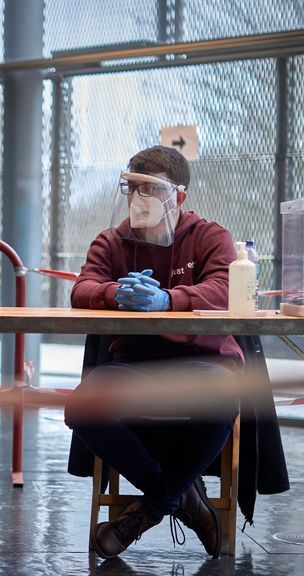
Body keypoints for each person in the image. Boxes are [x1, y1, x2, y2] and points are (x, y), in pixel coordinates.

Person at [64, 146, 241, 559]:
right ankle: (184, 501)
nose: (137, 198)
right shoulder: (113, 240)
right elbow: (82, 289)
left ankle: (148, 511)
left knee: (225, 394)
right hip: (134, 362)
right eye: (132, 187)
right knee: (83, 407)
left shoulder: (209, 237)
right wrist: (113, 292)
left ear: (178, 197)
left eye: (149, 189)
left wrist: (169, 300)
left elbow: (225, 289)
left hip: (202, 360)